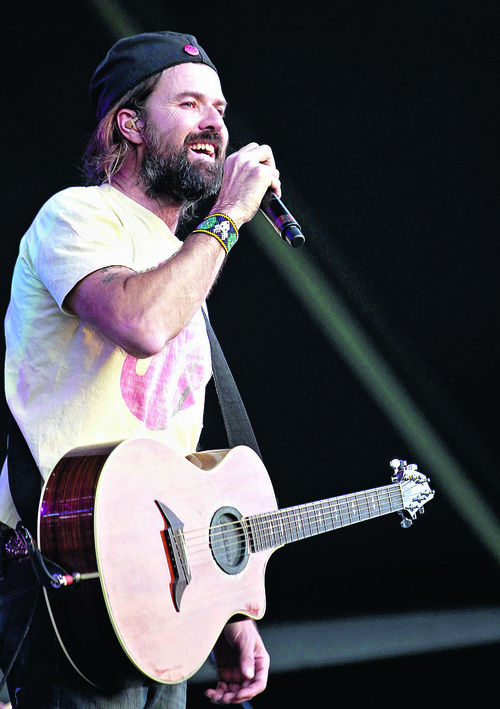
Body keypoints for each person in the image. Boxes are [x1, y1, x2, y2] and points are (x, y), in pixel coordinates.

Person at [0, 31, 281, 708]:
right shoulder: (77, 215)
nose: (215, 123)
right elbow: (142, 325)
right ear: (129, 123)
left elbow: (173, 461)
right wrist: (228, 217)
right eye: (189, 104)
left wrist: (226, 610)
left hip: (155, 600)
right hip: (65, 576)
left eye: (219, 108)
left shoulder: (186, 267)